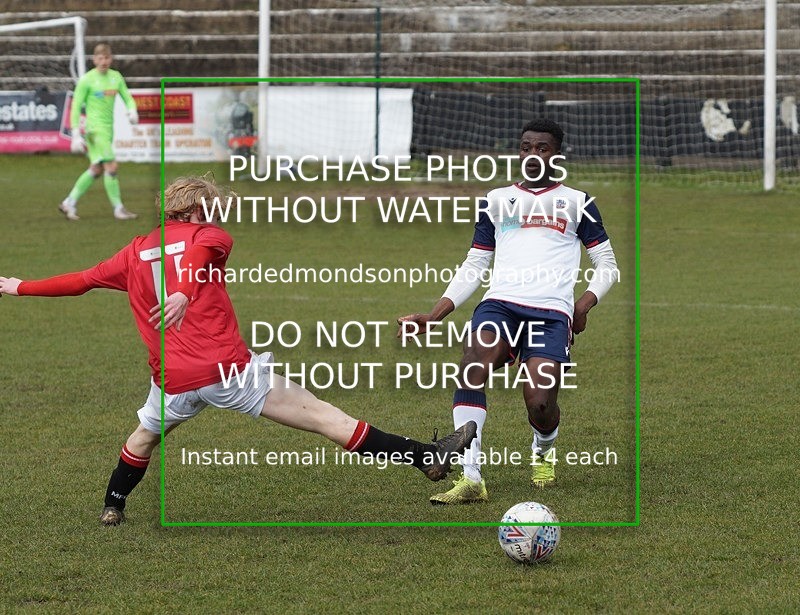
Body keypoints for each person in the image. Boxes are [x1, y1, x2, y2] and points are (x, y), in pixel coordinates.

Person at [1, 176, 477, 525]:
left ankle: (113, 506)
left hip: (172, 378)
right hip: (226, 372)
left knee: (145, 436)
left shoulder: (133, 251)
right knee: (322, 415)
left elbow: (79, 281)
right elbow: (200, 255)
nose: (219, 216)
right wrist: (186, 291)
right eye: (211, 208)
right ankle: (424, 457)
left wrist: (18, 286)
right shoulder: (210, 236)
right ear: (190, 214)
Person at [397, 119, 619, 505]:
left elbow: (607, 264)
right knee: (472, 364)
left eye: (542, 148)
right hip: (500, 304)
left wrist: (582, 305)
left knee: (540, 404)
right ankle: (471, 479)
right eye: (526, 147)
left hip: (551, 312)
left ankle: (542, 451)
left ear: (558, 155)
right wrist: (435, 315)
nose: (532, 155)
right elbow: (475, 264)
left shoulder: (577, 202)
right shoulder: (497, 199)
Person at [59, 43, 139, 221]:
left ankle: (69, 202)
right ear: (94, 59)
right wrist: (75, 134)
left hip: (108, 130)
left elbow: (127, 96)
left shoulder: (115, 77)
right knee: (111, 166)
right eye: (100, 58)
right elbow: (76, 106)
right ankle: (119, 208)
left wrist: (132, 110)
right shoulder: (87, 80)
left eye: (107, 58)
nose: (104, 61)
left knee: (96, 169)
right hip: (95, 130)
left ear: (111, 59)